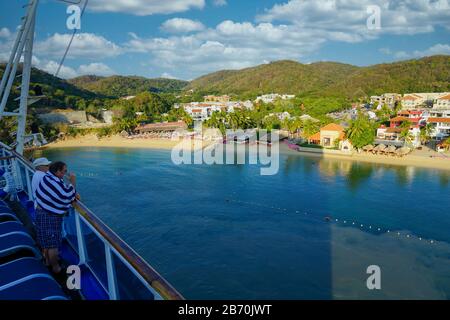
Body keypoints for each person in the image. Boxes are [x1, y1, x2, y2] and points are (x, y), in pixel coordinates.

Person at [35, 161, 78, 274]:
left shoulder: (47, 177)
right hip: (49, 216)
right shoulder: (53, 182)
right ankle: (56, 268)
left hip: (41, 213)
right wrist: (73, 182)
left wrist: (66, 183)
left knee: (47, 241)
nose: (65, 173)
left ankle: (48, 262)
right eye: (64, 171)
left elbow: (59, 192)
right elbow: (66, 196)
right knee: (52, 244)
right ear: (57, 171)